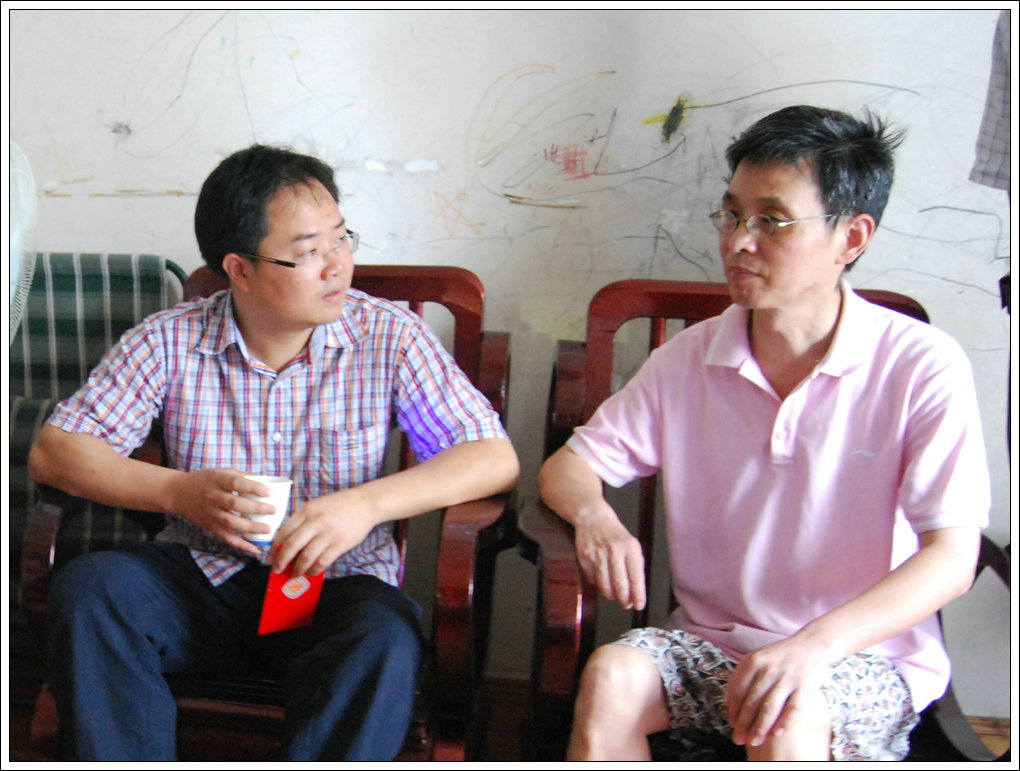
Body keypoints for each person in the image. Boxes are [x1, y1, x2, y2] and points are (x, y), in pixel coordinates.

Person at [28, 144, 520, 761]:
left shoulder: (387, 335)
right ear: (239, 268)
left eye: (341, 239)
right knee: (92, 590)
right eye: (309, 252)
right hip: (204, 579)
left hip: (336, 588)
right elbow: (57, 452)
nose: (337, 266)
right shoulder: (169, 340)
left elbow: (491, 456)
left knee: (383, 639)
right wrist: (178, 492)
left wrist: (365, 506)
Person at [538, 105, 990, 761]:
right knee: (613, 676)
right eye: (732, 215)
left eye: (771, 221)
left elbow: (951, 558)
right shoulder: (688, 359)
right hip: (711, 643)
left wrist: (812, 648)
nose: (737, 242)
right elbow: (570, 467)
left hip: (860, 654)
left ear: (851, 237)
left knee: (788, 708)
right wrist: (596, 519)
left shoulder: (921, 364)